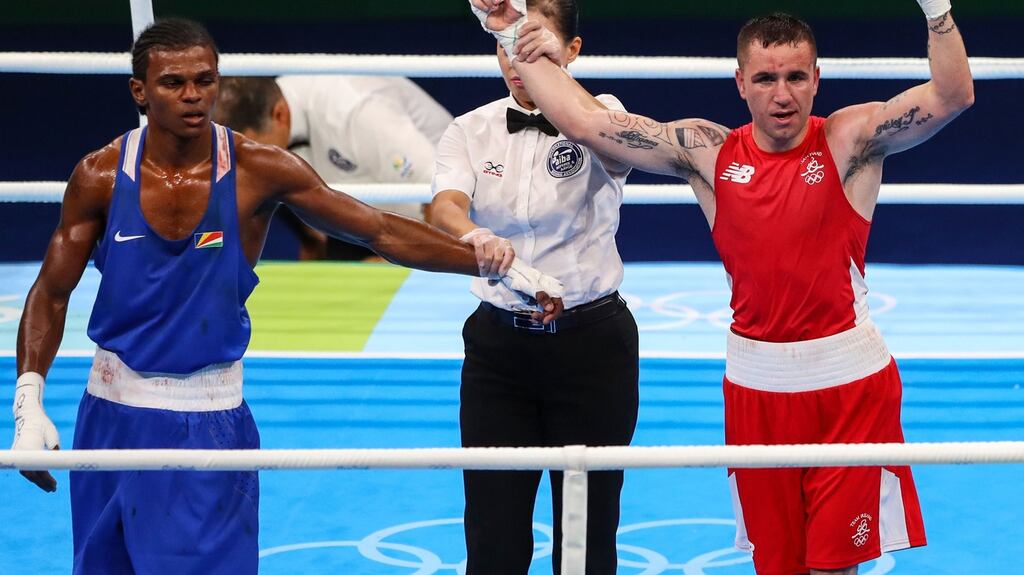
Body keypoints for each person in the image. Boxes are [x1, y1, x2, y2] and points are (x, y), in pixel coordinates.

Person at [9, 18, 562, 575]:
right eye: (174, 83)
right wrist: (28, 403)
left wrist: (499, 265)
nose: (193, 96)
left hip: (206, 419)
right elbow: (52, 294)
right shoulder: (100, 175)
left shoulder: (257, 170)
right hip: (109, 413)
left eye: (205, 80)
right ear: (140, 92)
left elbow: (380, 230)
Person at [470, 0, 974, 573]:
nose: (781, 94)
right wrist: (510, 29)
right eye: (764, 78)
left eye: (794, 77)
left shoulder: (850, 139)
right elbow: (586, 121)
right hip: (755, 390)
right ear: (741, 83)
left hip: (849, 387)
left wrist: (937, 8)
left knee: (835, 566)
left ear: (816, 79)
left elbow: (952, 95)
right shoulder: (707, 152)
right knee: (777, 565)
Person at [431, 1, 639, 573]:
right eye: (507, 46)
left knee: (587, 539)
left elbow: (601, 131)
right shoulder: (469, 129)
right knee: (493, 538)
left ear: (571, 51)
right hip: (499, 351)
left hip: (591, 347)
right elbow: (444, 204)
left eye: (533, 42)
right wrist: (473, 233)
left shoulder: (604, 114)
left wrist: (555, 83)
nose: (518, 60)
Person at [214, 75, 453, 260]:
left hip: (438, 224)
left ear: (279, 115)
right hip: (363, 231)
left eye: (252, 148)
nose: (248, 161)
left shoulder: (355, 112)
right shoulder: (270, 110)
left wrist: (400, 264)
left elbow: (441, 191)